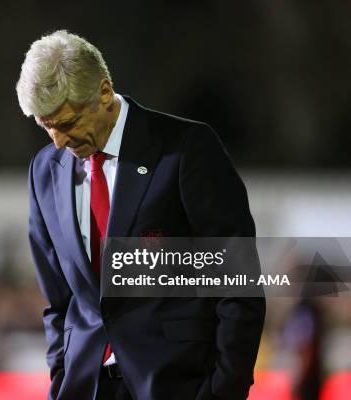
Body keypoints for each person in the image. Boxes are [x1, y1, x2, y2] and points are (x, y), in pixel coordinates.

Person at [17, 30, 265, 400]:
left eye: (67, 123)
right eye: (45, 125)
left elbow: (238, 283)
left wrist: (223, 390)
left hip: (178, 385)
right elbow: (58, 300)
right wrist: (61, 377)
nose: (58, 141)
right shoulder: (44, 170)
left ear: (103, 93)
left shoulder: (184, 149)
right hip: (86, 387)